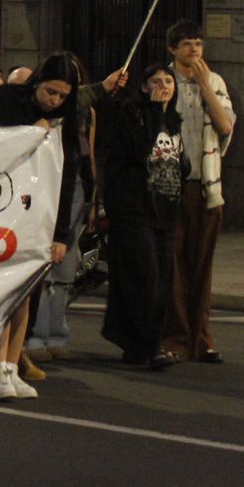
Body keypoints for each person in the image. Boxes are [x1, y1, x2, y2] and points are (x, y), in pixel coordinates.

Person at [0, 53, 121, 399]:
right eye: (50, 92)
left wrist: (62, 235)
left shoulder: (68, 114)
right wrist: (30, 133)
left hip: (39, 209)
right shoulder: (7, 101)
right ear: (36, 82)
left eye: (62, 95)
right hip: (0, 204)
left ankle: (12, 366)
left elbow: (68, 171)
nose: (54, 101)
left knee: (27, 292)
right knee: (4, 293)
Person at [99, 64, 186, 370]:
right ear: (144, 87)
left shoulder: (174, 120)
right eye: (156, 81)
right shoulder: (133, 114)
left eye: (168, 80)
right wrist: (155, 112)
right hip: (135, 207)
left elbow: (180, 164)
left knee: (162, 279)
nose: (163, 85)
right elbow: (139, 150)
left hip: (164, 208)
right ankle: (151, 344)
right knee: (143, 276)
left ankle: (140, 344)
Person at [163, 20, 235, 364]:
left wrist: (205, 86)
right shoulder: (163, 82)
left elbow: (225, 126)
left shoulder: (214, 82)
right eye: (187, 44)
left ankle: (202, 337)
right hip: (171, 185)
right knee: (174, 266)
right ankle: (175, 337)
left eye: (198, 44)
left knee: (201, 265)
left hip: (206, 187)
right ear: (173, 49)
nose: (194, 50)